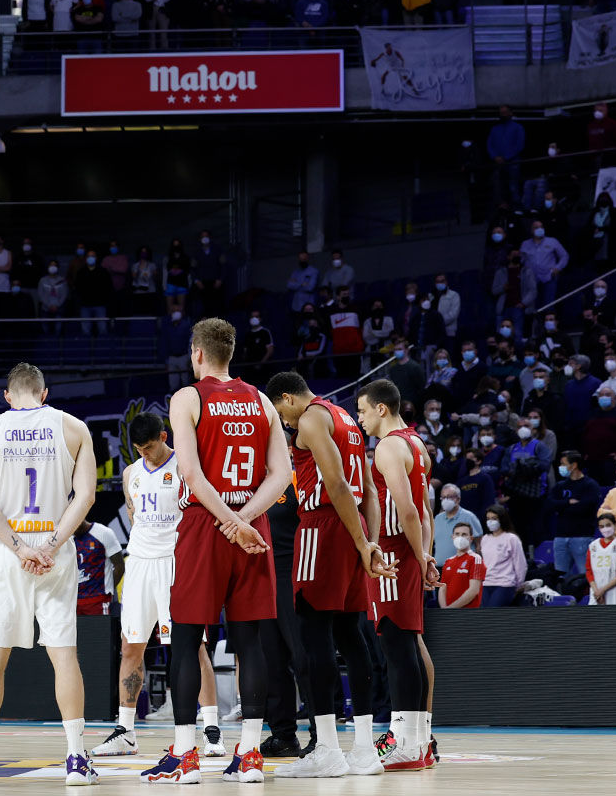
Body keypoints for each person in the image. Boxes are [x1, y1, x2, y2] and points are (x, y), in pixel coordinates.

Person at [139, 320, 290, 785]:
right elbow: (281, 475)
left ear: (197, 353)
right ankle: (249, 754)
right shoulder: (262, 400)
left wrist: (227, 521)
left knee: (185, 640)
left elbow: (191, 472)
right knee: (250, 643)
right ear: (231, 351)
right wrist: (244, 520)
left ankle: (185, 755)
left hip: (208, 523)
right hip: (252, 524)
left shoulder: (188, 397)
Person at [0, 363, 100, 787]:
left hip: (8, 551)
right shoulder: (74, 427)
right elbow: (87, 496)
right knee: (64, 655)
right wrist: (51, 545)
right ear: (44, 393)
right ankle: (76, 759)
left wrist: (20, 548)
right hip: (55, 547)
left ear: (7, 396)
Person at [267, 370, 390, 778]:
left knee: (312, 633)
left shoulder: (311, 418)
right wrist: (369, 542)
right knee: (350, 635)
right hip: (352, 526)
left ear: (287, 398)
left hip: (324, 526)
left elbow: (336, 483)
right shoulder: (346, 418)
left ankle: (327, 750)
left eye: (280, 411)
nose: (284, 423)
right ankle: (364, 750)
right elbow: (368, 490)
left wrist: (360, 542)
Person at [91, 414, 226, 760]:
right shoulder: (130, 473)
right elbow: (135, 517)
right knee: (130, 646)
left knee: (192, 646)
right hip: (139, 564)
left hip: (175, 562)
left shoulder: (185, 466)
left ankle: (211, 729)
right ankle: (126, 731)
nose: (145, 454)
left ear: (164, 436)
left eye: (150, 447)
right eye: (139, 449)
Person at [357, 378, 434, 771]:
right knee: (407, 645)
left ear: (381, 408)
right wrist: (426, 553)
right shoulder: (417, 444)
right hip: (409, 551)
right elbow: (427, 512)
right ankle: (419, 743)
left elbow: (406, 510)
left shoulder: (388, 446)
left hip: (391, 552)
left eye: (363, 410)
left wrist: (419, 558)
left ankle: (405, 743)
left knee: (397, 649)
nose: (360, 418)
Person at [477, 506, 526, 607]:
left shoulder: (511, 539)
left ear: (502, 519)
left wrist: (518, 585)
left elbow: (520, 565)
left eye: (494, 518)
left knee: (492, 613)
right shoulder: (485, 539)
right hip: (486, 583)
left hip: (505, 584)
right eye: (488, 518)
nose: (490, 521)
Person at [436, 524, 484, 609]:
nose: (460, 537)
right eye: (457, 534)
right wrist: (444, 609)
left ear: (471, 538)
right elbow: (442, 588)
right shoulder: (448, 561)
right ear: (452, 537)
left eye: (464, 534)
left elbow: (474, 590)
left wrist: (451, 608)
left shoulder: (476, 559)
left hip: (468, 613)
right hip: (448, 612)